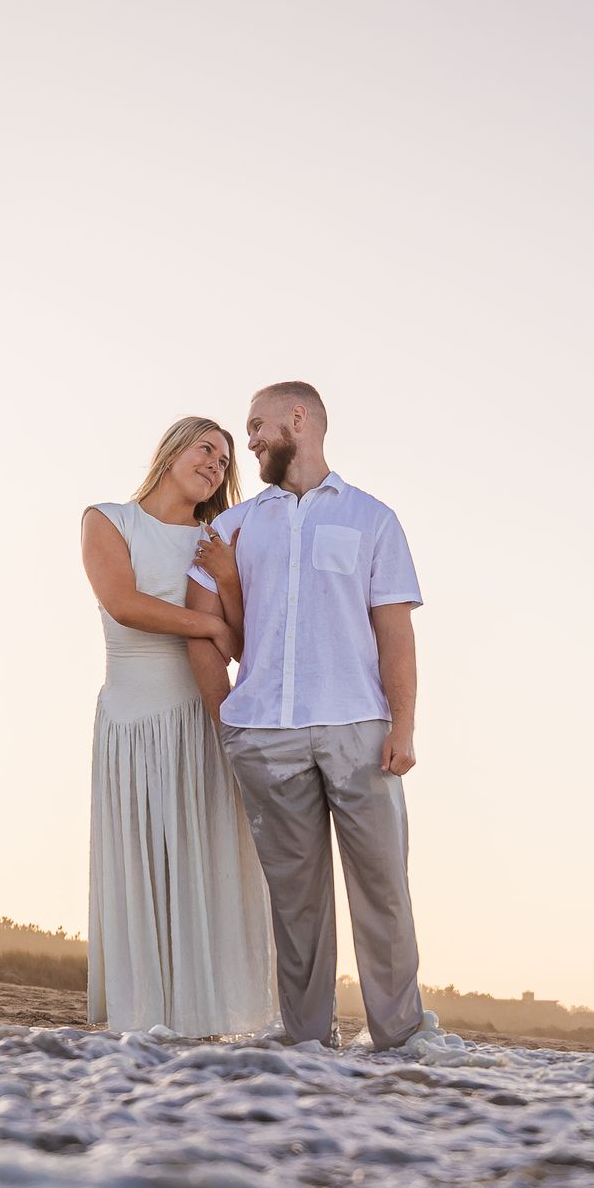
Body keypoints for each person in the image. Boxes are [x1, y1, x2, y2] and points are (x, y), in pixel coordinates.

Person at [188, 382, 424, 1051]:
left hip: (360, 731)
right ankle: (306, 1049)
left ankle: (401, 1047)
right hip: (264, 736)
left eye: (256, 426)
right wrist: (228, 721)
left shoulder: (374, 519)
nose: (250, 442)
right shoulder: (231, 528)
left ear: (299, 419)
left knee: (383, 892)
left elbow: (395, 633)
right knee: (296, 904)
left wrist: (404, 726)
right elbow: (201, 631)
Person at [80, 419, 277, 1037]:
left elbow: (244, 644)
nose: (216, 465)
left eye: (224, 461)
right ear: (170, 451)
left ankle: (207, 1020)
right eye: (206, 449)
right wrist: (209, 626)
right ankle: (142, 1019)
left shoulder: (217, 543)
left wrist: (227, 585)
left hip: (201, 718)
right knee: (139, 866)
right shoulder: (108, 521)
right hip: (131, 718)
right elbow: (123, 604)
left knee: (205, 865)